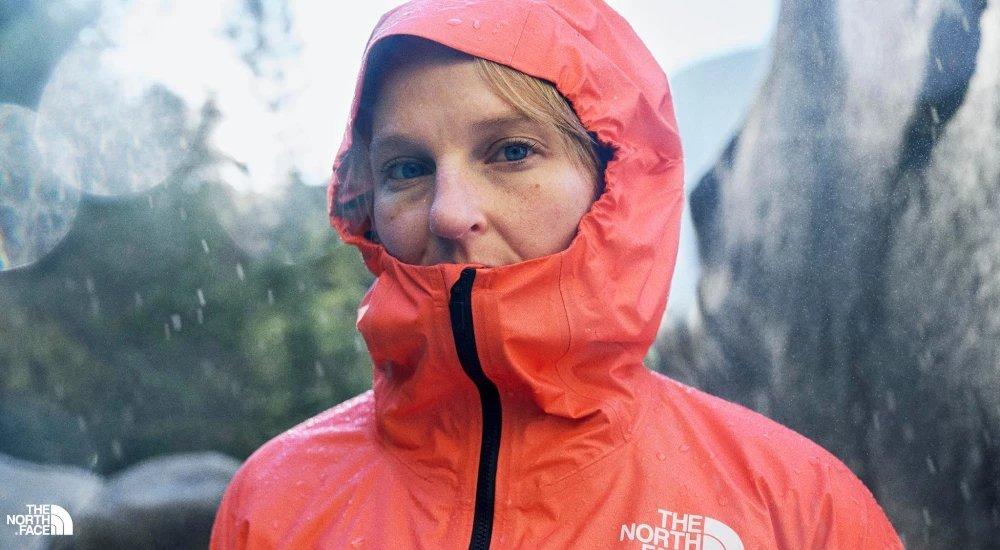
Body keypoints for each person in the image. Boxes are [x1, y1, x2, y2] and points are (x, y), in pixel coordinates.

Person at [211, 1, 903, 548]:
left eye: (511, 151)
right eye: (407, 168)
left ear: (616, 183)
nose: (451, 212)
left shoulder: (796, 507)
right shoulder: (274, 501)